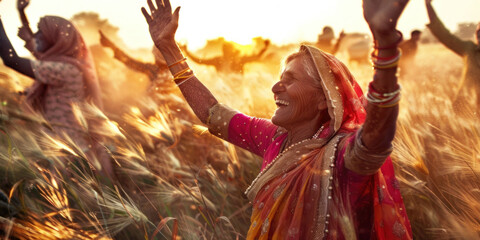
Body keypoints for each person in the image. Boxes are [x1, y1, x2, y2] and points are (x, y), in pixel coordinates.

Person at [141, 0, 412, 238]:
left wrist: (386, 46)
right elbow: (212, 113)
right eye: (279, 79)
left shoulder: (343, 157)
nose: (275, 88)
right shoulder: (273, 139)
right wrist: (168, 48)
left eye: (290, 80)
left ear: (323, 99)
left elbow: (376, 135)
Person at [0, 13, 113, 177]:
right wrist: (22, 14)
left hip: (66, 154)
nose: (35, 36)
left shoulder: (62, 70)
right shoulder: (67, 65)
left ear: (55, 39)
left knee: (67, 200)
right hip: (66, 148)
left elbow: (12, 60)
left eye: (40, 32)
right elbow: (38, 53)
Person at [425, 0, 480, 107]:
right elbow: (444, 35)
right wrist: (428, 6)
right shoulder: (469, 49)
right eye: (478, 32)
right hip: (465, 106)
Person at [99, 30, 171, 92]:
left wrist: (112, 46)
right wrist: (112, 46)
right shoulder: (157, 69)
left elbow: (130, 62)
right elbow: (130, 62)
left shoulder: (155, 69)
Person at [180, 40, 270, 75]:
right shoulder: (218, 60)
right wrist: (187, 52)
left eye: (230, 51)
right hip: (224, 90)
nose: (228, 53)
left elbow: (256, 57)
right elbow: (200, 61)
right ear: (224, 51)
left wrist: (264, 48)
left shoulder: (239, 59)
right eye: (226, 51)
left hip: (238, 91)